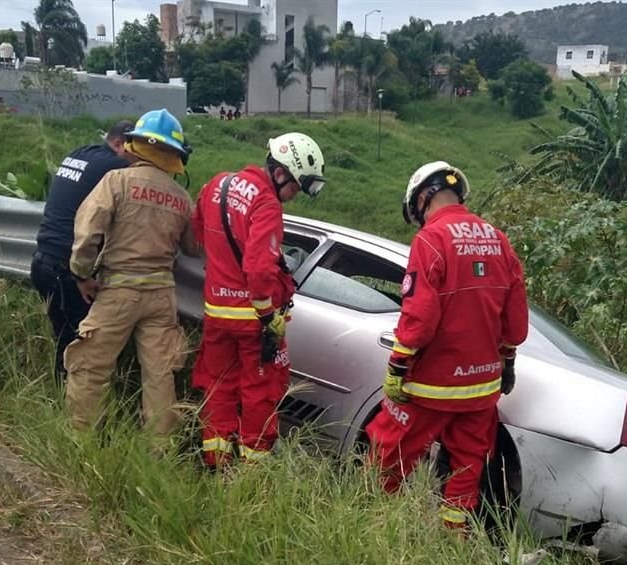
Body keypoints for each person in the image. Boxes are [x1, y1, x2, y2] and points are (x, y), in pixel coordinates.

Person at [365, 161, 529, 531]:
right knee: (465, 472)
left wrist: (398, 366)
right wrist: (507, 361)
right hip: (481, 389)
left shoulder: (431, 239)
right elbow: (516, 322)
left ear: (424, 197)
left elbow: (419, 317)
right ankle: (452, 541)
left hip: (431, 386)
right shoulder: (499, 240)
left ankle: (374, 532)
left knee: (387, 458)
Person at [64, 109, 200, 447]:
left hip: (117, 291)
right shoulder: (182, 198)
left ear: (136, 145)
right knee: (160, 375)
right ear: (174, 155)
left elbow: (88, 234)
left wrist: (81, 274)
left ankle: (83, 444)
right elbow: (192, 247)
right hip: (162, 297)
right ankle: (160, 449)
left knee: (91, 367)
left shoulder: (116, 181)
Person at [192, 132, 326, 467]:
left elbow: (198, 232)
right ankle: (252, 471)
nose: (293, 196)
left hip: (216, 313)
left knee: (218, 386)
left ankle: (216, 461)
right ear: (280, 173)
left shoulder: (217, 184)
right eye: (295, 187)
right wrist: (268, 316)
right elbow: (259, 268)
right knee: (260, 392)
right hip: (251, 321)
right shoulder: (266, 203)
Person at [30, 119, 136, 381]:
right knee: (84, 343)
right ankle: (74, 398)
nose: (137, 157)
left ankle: (60, 393)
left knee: (65, 336)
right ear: (119, 143)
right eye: (135, 149)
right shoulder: (115, 167)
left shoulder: (81, 153)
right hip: (66, 268)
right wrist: (82, 277)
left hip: (42, 260)